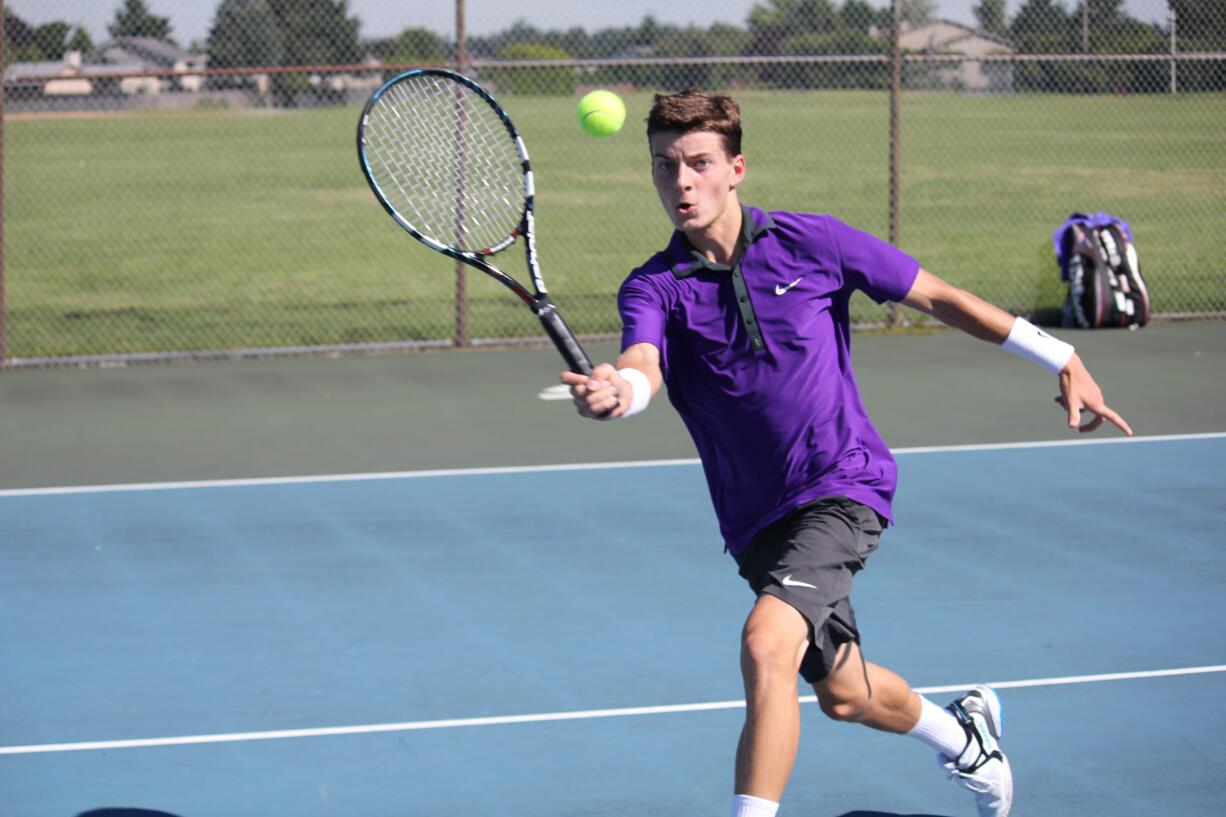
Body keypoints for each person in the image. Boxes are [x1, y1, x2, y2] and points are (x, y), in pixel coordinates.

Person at [562, 90, 1131, 817]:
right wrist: (622, 392)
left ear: (735, 168)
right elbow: (642, 361)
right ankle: (966, 739)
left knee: (766, 642)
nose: (682, 182)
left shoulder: (814, 242)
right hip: (755, 519)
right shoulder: (654, 286)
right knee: (843, 694)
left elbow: (942, 296)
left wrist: (1060, 352)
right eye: (664, 166)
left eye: (699, 162)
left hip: (841, 483)